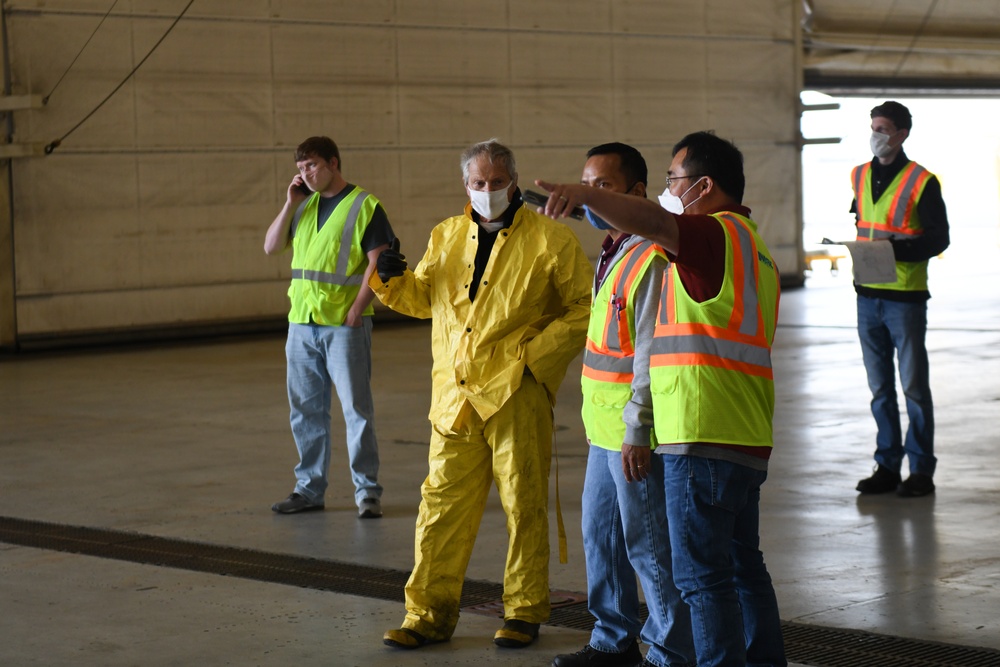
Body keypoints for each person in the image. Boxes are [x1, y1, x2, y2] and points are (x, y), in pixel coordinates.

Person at [536, 131, 786, 667]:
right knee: (743, 567)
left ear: (701, 186)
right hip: (744, 431)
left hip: (701, 433)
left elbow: (653, 222)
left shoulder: (712, 236)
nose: (668, 192)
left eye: (673, 181)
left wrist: (584, 198)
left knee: (701, 578)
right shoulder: (756, 249)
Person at [373, 139, 592, 650]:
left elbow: (585, 307)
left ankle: (523, 610)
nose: (488, 191)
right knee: (441, 508)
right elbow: (424, 299)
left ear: (514, 183)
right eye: (478, 183)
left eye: (497, 182)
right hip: (455, 399)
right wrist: (390, 281)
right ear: (464, 186)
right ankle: (427, 613)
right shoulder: (446, 236)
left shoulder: (550, 241)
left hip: (516, 394)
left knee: (524, 503)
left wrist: (534, 361)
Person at [552, 143, 694, 667]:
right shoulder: (613, 251)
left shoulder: (651, 255)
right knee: (602, 538)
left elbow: (650, 352)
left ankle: (668, 651)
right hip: (600, 429)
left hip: (632, 432)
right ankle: (612, 641)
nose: (590, 196)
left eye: (602, 187)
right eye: (585, 184)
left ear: (638, 194)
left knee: (648, 547)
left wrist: (638, 426)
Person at [264, 136, 393, 518]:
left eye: (313, 166)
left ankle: (367, 492)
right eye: (302, 168)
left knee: (356, 410)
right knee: (305, 411)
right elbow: (271, 246)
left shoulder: (364, 205)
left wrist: (356, 311)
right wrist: (290, 202)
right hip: (302, 325)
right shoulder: (303, 207)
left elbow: (379, 261)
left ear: (334, 163)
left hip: (344, 327)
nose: (307, 173)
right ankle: (309, 489)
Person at [850, 101, 950, 498]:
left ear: (902, 134)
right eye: (873, 126)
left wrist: (894, 250)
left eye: (883, 128)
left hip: (905, 299)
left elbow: (939, 238)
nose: (876, 134)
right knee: (879, 389)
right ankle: (887, 465)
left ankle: (921, 470)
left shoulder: (922, 181)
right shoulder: (858, 175)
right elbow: (862, 222)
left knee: (913, 388)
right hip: (866, 296)